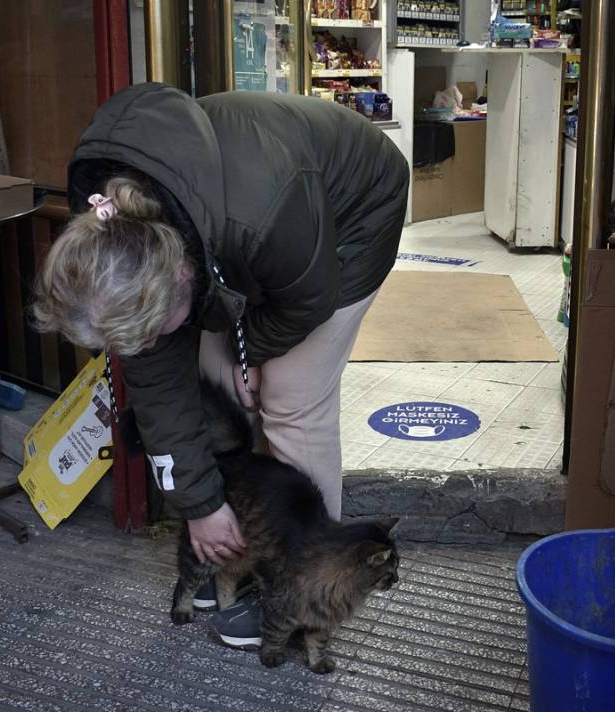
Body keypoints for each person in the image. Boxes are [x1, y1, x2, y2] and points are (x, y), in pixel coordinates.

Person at [33, 82, 409, 647]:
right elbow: (161, 391)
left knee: (289, 396)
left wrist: (251, 350)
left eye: (158, 328)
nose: (150, 343)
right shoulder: (121, 246)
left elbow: (306, 299)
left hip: (348, 214)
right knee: (220, 388)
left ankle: (302, 581)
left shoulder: (263, 212)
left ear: (180, 274)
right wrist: (202, 506)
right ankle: (233, 551)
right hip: (242, 224)